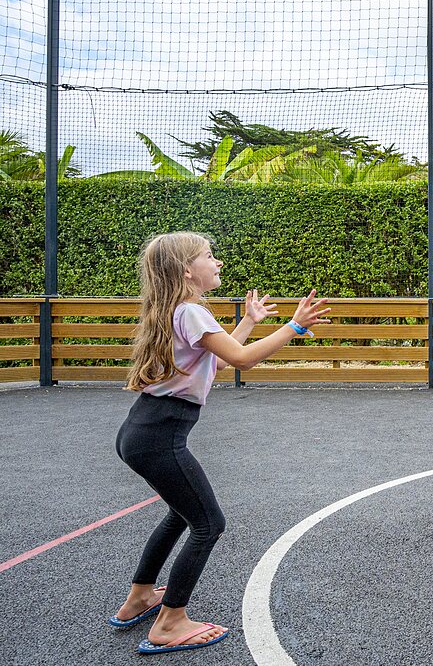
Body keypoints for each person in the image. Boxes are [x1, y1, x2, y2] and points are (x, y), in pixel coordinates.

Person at [112, 232, 330, 655]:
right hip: (159, 435)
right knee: (208, 525)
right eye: (209, 257)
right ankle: (170, 621)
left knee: (180, 515)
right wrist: (295, 325)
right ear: (186, 270)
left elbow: (219, 353)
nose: (219, 263)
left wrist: (249, 322)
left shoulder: (180, 311)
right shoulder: (191, 311)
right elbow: (242, 359)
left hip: (143, 430)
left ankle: (139, 598)